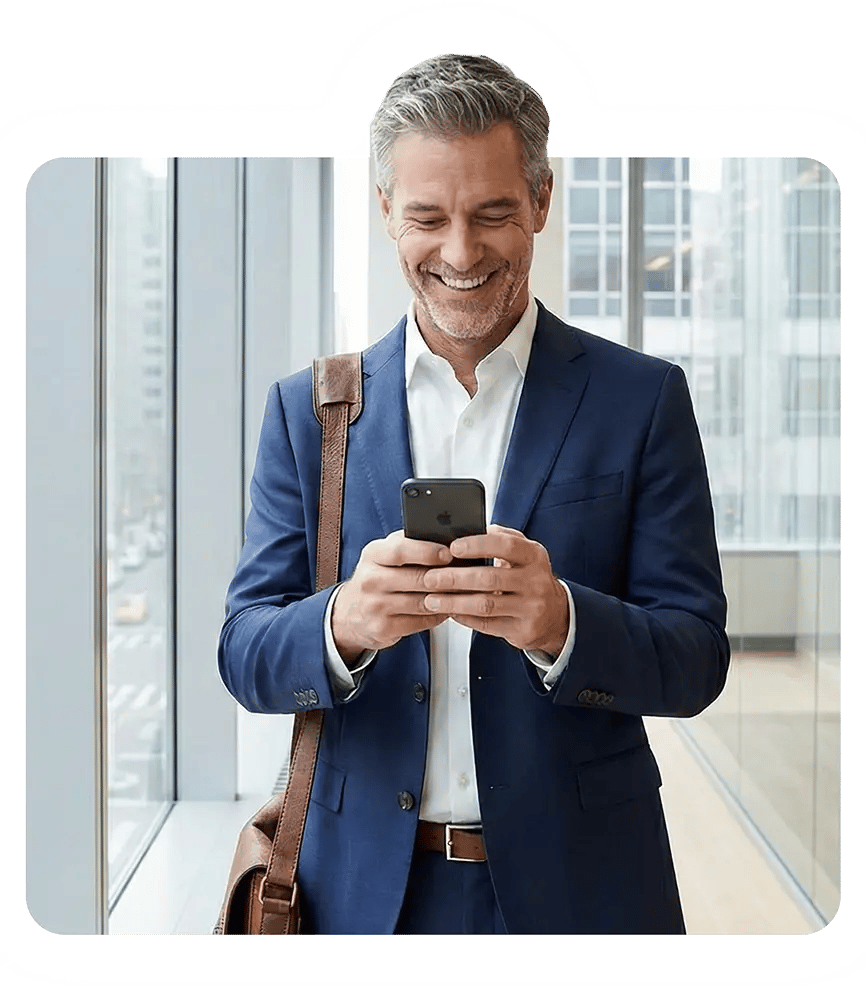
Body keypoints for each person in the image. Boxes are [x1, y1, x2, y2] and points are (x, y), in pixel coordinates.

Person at [218, 52, 730, 935]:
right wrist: (345, 624)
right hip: (360, 902)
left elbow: (696, 660)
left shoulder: (641, 400)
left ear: (541, 200)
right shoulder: (311, 412)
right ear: (386, 211)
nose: (460, 253)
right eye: (427, 217)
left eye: (494, 213)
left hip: (588, 891)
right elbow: (245, 653)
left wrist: (562, 623)